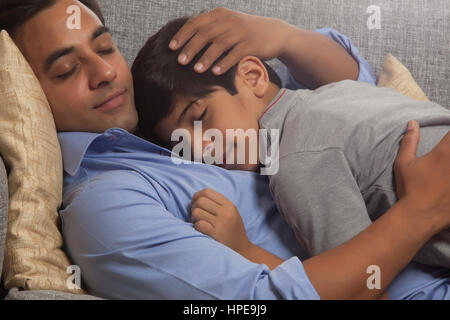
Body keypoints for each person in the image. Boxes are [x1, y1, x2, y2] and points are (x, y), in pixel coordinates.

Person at [1, 0, 449, 299]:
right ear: (25, 93)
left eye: (105, 47)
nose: (104, 72)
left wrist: (284, 37)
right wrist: (421, 210)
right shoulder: (105, 205)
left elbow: (355, 83)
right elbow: (261, 302)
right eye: (65, 71)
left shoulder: (232, 115)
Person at [134, 17, 450, 269]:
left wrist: (245, 250)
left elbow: (362, 286)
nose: (202, 149)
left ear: (253, 77)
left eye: (200, 116)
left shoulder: (296, 158)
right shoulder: (339, 93)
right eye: (183, 145)